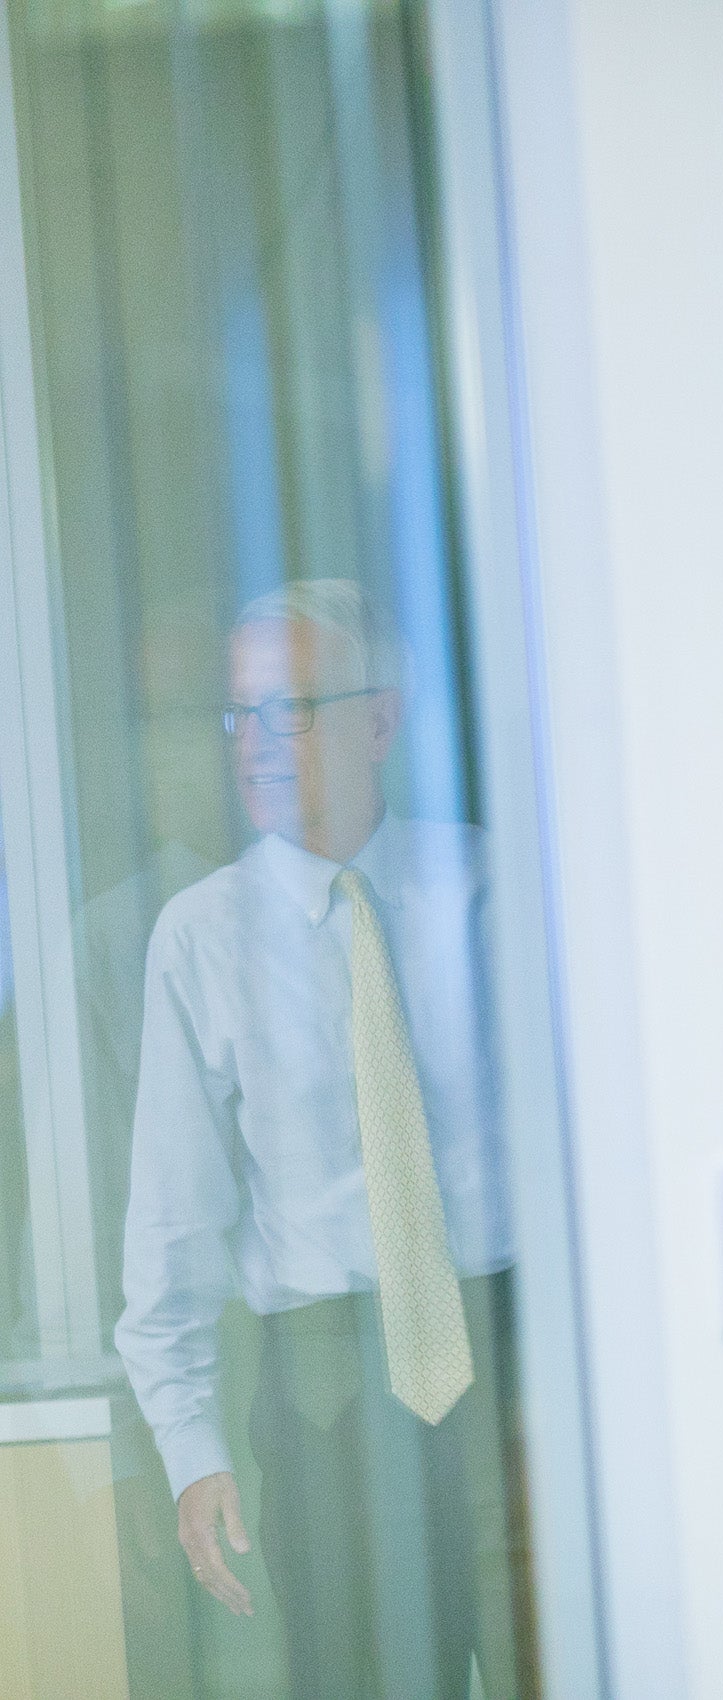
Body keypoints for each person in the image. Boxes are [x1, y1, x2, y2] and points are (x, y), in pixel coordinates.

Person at [114, 579, 527, 1699]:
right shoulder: (198, 940)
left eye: (288, 709)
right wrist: (192, 1448)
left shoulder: (495, 887)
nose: (252, 744)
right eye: (237, 714)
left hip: (513, 1369)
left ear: (380, 719)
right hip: (328, 1404)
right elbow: (173, 1220)